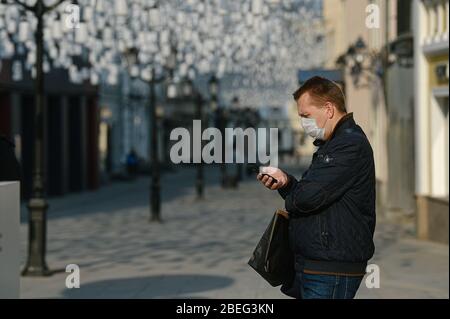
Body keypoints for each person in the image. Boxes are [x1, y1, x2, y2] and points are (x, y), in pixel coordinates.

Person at [257, 76, 376, 299]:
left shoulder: (348, 145)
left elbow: (307, 198)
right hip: (318, 263)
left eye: (305, 115)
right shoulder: (333, 144)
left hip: (331, 267)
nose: (303, 122)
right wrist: (286, 182)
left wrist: (293, 192)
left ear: (329, 109)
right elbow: (314, 193)